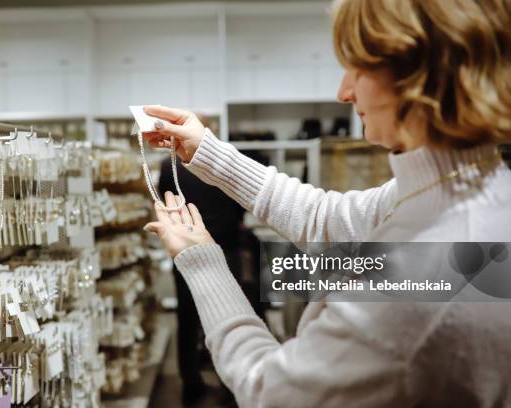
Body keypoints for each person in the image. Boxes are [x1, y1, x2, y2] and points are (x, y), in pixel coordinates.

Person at [143, 0, 511, 406]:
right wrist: (208, 152)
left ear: (418, 76)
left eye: (357, 68)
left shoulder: (422, 279)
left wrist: (204, 263)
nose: (343, 92)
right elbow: (326, 219)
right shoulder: (466, 188)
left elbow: (271, 392)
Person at [157, 156, 244, 406]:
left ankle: (190, 382)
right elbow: (238, 204)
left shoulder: (167, 166)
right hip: (225, 246)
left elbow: (166, 204)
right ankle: (230, 384)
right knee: (230, 313)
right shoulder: (225, 159)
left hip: (185, 247)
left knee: (187, 318)